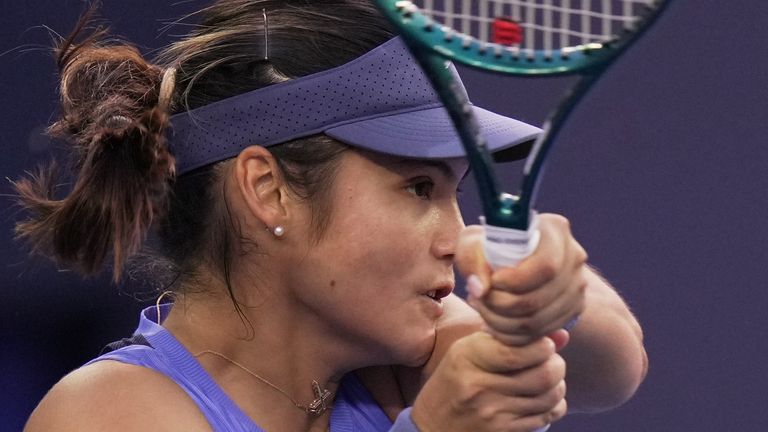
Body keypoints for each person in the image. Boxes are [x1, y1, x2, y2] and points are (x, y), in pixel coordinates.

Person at [16, 1, 647, 431]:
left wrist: (553, 289)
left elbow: (616, 367)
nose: (456, 238)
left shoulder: (407, 363)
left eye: (457, 194)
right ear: (269, 190)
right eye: (419, 188)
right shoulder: (107, 415)